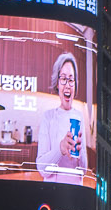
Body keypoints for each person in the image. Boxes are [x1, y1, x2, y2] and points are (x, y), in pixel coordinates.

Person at [36, 51, 87, 182]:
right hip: (53, 191)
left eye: (71, 80)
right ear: (57, 84)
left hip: (75, 191)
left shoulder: (79, 117)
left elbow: (83, 171)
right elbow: (42, 170)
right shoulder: (48, 117)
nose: (67, 85)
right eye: (63, 79)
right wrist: (61, 148)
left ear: (75, 84)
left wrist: (80, 153)